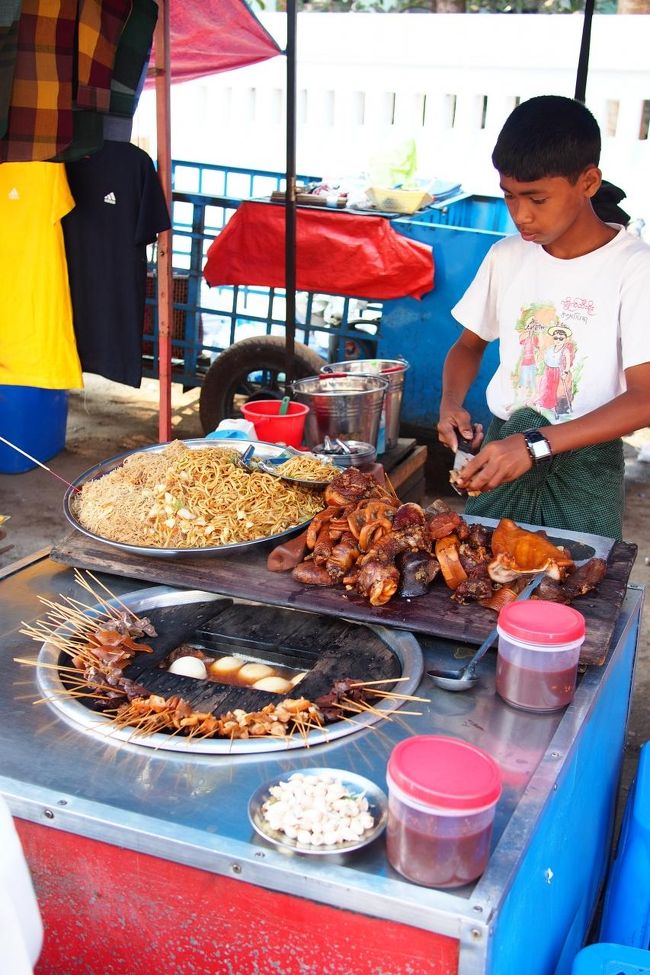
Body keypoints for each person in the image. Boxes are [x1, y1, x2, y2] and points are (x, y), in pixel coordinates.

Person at [437, 95, 650, 540]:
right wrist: (451, 404)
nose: (521, 215)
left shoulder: (634, 268)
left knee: (573, 585)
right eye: (510, 197)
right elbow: (468, 347)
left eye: (537, 198)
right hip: (502, 453)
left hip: (584, 467)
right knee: (479, 583)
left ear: (589, 181)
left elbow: (645, 399)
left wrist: (536, 444)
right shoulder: (507, 257)